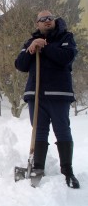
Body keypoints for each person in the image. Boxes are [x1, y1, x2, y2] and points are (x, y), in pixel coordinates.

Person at [15, 10, 80, 188]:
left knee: (62, 130)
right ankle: (37, 168)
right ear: (37, 23)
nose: (47, 21)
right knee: (39, 132)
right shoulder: (30, 42)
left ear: (54, 21)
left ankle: (68, 171)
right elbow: (20, 65)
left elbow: (66, 58)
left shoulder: (66, 37)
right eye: (42, 19)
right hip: (36, 95)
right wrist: (31, 50)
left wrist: (45, 46)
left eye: (49, 18)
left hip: (59, 94)